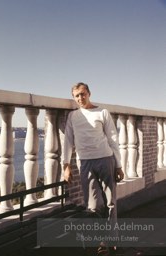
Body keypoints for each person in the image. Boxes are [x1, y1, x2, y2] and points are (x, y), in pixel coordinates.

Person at [63, 82, 124, 255]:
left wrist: (118, 165)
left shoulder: (102, 112)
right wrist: (66, 166)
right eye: (76, 95)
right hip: (85, 163)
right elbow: (68, 141)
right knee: (94, 205)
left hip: (106, 159)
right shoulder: (73, 116)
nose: (80, 98)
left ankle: (109, 240)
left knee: (111, 202)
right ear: (74, 98)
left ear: (89, 93)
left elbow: (113, 139)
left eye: (83, 94)